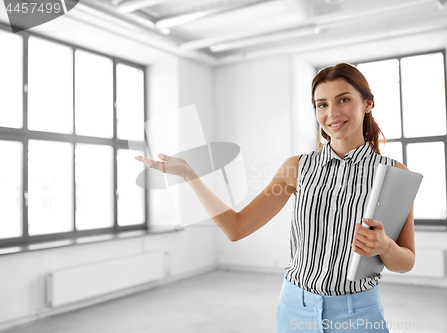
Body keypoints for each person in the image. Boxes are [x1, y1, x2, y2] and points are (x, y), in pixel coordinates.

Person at [135, 62, 415, 332]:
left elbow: (406, 261)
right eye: (322, 104)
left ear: (367, 103)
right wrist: (188, 174)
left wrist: (386, 247)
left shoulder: (394, 174)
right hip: (296, 309)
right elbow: (236, 227)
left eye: (343, 100)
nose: (332, 113)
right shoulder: (297, 167)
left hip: (358, 314)